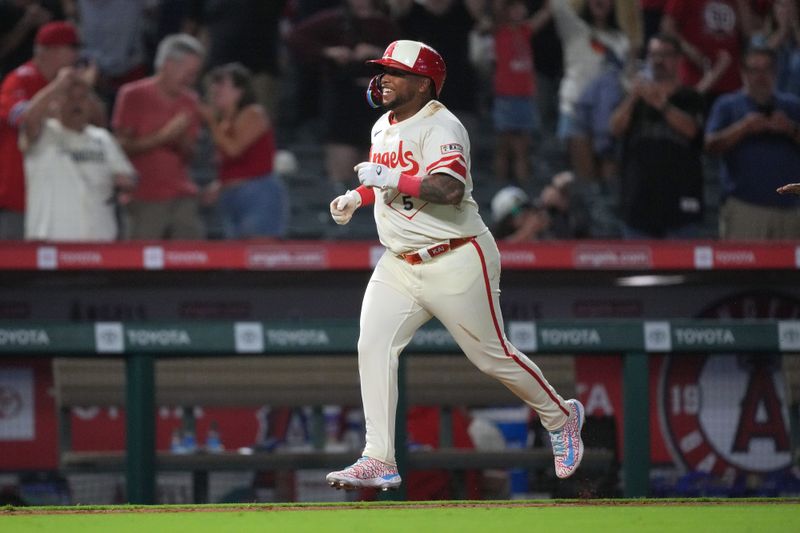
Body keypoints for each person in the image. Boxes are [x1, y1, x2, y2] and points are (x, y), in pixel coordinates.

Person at [325, 40, 585, 490]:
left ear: (424, 84)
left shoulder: (443, 124)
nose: (383, 77)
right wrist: (358, 197)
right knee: (373, 344)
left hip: (456, 254)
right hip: (399, 263)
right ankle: (378, 457)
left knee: (491, 356)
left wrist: (387, 177)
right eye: (383, 69)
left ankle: (561, 417)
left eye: (395, 72)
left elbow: (446, 188)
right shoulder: (382, 126)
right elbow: (384, 181)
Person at [286, 0, 400, 190]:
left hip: (379, 101)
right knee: (341, 166)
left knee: (374, 169)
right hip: (344, 99)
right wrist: (328, 52)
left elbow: (406, 58)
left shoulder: (387, 23)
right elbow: (297, 37)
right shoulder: (336, 20)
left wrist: (378, 53)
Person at [19, 70, 135, 241]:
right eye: (68, 97)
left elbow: (130, 178)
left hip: (98, 241)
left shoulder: (102, 138)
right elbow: (30, 119)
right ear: (55, 103)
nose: (76, 104)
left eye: (82, 98)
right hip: (51, 243)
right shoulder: (44, 133)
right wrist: (58, 85)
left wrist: (125, 182)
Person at [610, 33, 706, 239]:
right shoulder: (636, 99)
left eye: (665, 55)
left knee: (682, 270)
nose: (659, 60)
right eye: (653, 55)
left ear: (678, 59)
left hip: (680, 203)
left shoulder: (691, 97)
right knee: (638, 272)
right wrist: (634, 97)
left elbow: (692, 130)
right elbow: (615, 128)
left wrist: (661, 104)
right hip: (638, 202)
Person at [112, 33, 206, 240]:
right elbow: (121, 147)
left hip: (181, 195)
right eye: (188, 73)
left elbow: (190, 155)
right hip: (143, 196)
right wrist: (163, 136)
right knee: (141, 266)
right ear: (168, 64)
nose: (191, 80)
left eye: (195, 74)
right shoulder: (133, 95)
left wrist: (181, 140)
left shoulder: (190, 100)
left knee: (193, 262)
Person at [705, 45, 800, 239]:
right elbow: (710, 146)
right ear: (743, 72)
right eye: (754, 70)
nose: (760, 76)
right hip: (744, 207)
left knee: (791, 269)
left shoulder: (791, 106)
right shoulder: (728, 104)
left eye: (766, 69)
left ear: (775, 72)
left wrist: (790, 129)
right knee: (741, 268)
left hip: (790, 208)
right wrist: (743, 128)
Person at [0, 20, 80, 240]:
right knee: (12, 269)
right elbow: (25, 119)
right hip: (17, 198)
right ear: (50, 50)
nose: (76, 56)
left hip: (54, 199)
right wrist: (58, 88)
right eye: (72, 48)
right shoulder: (19, 79)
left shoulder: (70, 85)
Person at [199, 63, 289, 238]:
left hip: (258, 194)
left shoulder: (253, 113)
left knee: (258, 256)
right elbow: (233, 165)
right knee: (236, 258)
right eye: (214, 83)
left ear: (239, 91)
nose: (215, 88)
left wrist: (210, 121)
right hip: (231, 196)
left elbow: (234, 150)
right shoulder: (224, 124)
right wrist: (219, 185)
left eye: (222, 83)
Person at [489, 0, 552, 184]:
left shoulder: (526, 30)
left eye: (520, 6)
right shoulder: (499, 30)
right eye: (513, 7)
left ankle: (523, 190)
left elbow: (547, 12)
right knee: (504, 147)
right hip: (505, 96)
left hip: (525, 97)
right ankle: (499, 187)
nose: (518, 10)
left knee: (522, 149)